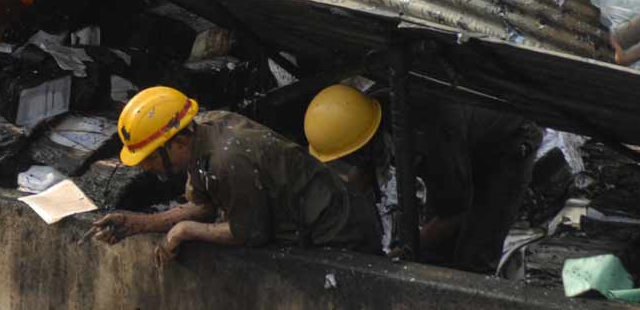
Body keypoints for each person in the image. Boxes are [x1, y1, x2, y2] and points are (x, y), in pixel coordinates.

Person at [90, 86, 382, 264]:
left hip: (340, 232)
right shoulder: (200, 131)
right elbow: (203, 206)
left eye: (150, 157)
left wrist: (184, 231)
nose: (146, 167)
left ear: (177, 142)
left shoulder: (227, 160)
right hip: (316, 219)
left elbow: (250, 233)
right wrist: (137, 223)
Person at [304, 83, 542, 274]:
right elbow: (360, 178)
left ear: (368, 140)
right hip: (458, 140)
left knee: (474, 257)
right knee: (432, 253)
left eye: (354, 155)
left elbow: (456, 213)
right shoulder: (364, 115)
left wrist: (402, 250)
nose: (353, 162)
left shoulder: (429, 136)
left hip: (506, 146)